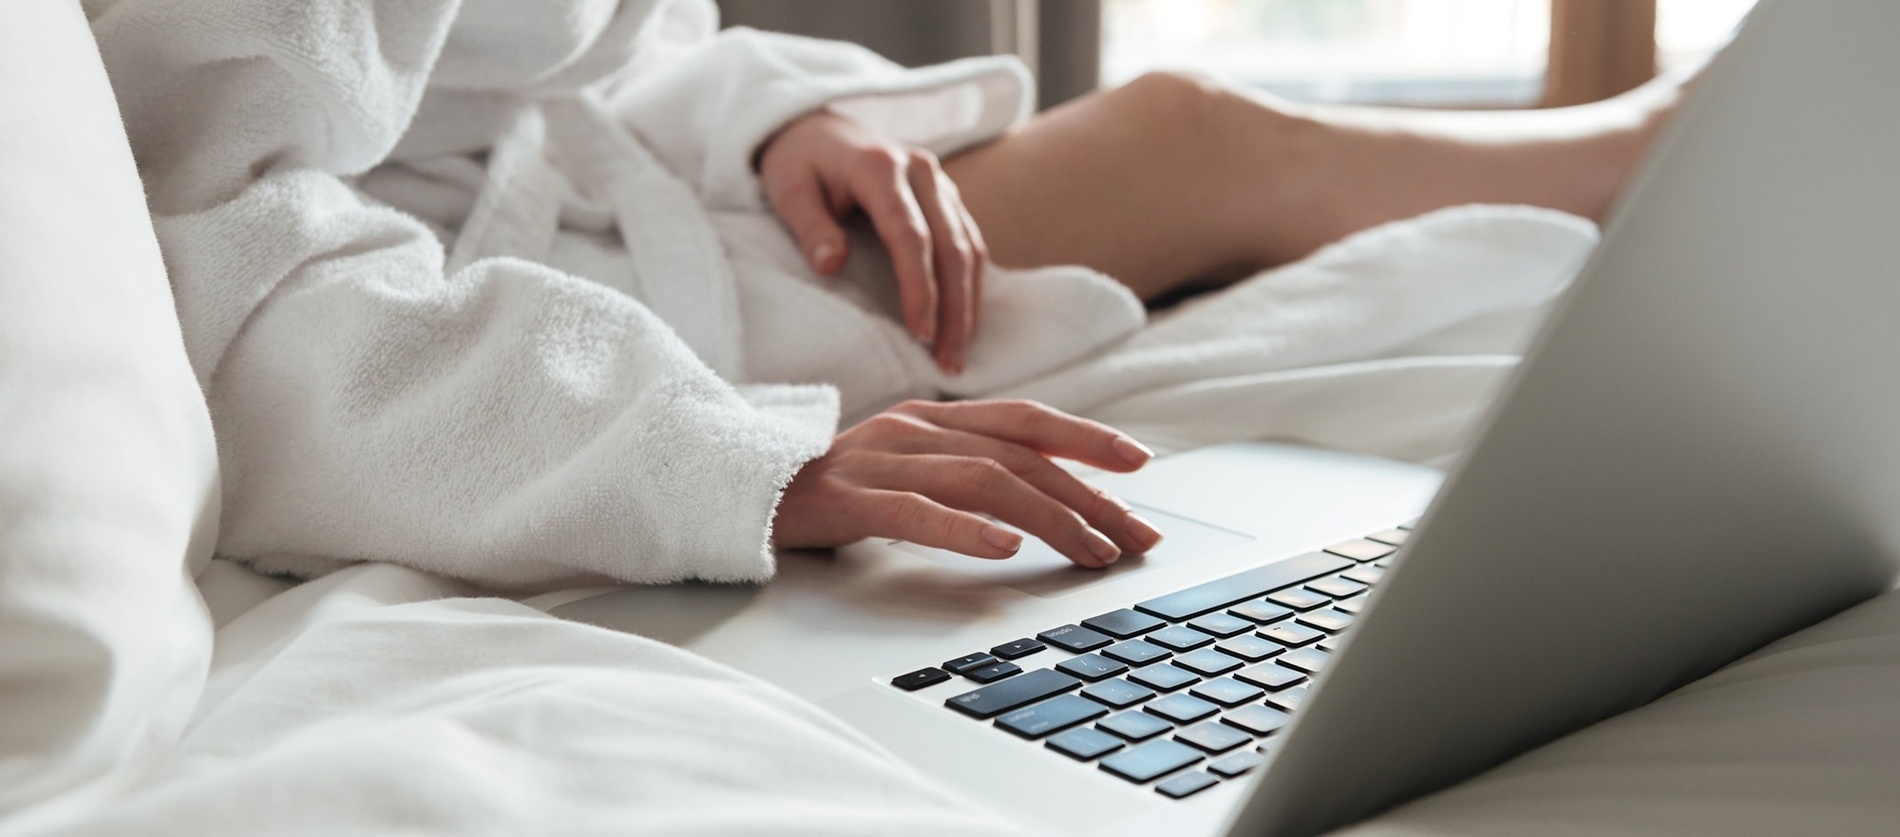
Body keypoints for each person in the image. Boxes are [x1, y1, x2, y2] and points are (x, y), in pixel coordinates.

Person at [91, 0, 1683, 588]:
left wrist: (784, 116)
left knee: (1189, 147)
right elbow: (224, 285)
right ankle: (1656, 152)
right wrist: (720, 460)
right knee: (1188, 140)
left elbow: (613, 50)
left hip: (640, 205)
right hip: (540, 325)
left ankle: (1658, 153)